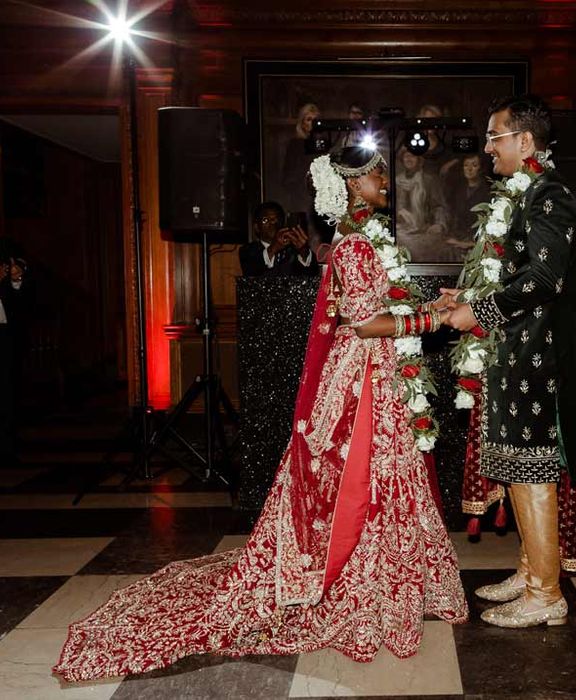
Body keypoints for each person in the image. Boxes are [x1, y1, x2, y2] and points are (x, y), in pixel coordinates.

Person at [54, 146, 467, 683]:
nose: (385, 180)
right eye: (375, 174)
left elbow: (370, 313)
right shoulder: (357, 247)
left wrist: (423, 310)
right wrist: (435, 317)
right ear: (349, 186)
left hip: (371, 372)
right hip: (363, 374)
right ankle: (360, 579)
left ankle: (387, 574)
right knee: (364, 474)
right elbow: (366, 325)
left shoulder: (361, 242)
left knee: (380, 473)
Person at [442, 95, 576, 629]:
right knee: (516, 465)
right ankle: (531, 569)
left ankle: (546, 592)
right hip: (516, 355)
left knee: (533, 470)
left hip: (542, 361)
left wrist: (478, 311)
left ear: (525, 141)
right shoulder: (522, 196)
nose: (487, 148)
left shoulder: (551, 196)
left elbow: (544, 281)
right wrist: (460, 299)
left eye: (495, 136)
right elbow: (513, 276)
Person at [0, 236, 29, 466]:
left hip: (4, 330)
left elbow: (19, 294)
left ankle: (7, 449)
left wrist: (16, 278)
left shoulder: (4, 245)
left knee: (7, 389)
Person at [395, 148, 449, 261]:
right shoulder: (396, 181)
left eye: (413, 156)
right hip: (401, 231)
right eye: (406, 156)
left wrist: (439, 224)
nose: (409, 159)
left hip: (424, 230)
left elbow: (438, 206)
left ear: (419, 159)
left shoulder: (428, 180)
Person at [239, 201, 318, 277]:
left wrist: (303, 251)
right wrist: (273, 248)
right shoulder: (248, 251)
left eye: (277, 219)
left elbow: (312, 273)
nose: (273, 223)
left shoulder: (293, 250)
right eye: (265, 220)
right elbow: (251, 271)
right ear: (257, 227)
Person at [445, 153, 491, 261]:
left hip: (478, 240)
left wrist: (470, 243)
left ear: (481, 168)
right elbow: (453, 217)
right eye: (466, 165)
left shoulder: (488, 192)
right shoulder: (458, 190)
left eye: (474, 165)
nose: (469, 169)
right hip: (458, 237)